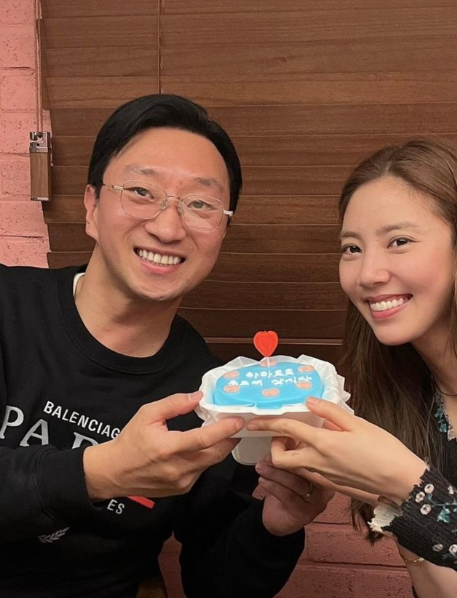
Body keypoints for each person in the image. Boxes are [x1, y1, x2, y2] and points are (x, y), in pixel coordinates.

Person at [0, 94, 333, 598]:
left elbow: (215, 585)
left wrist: (272, 528)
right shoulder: (9, 306)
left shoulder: (213, 397)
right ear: (91, 206)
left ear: (223, 232)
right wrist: (99, 473)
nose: (168, 227)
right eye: (141, 191)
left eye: (200, 204)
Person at [247, 138, 457, 597]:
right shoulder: (405, 391)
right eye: (352, 248)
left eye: (399, 241)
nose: (367, 274)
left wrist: (409, 488)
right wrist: (376, 492)